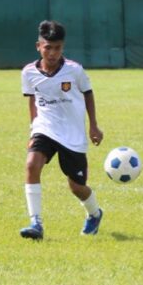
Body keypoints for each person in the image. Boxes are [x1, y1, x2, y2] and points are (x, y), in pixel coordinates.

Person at [19, 20, 104, 240]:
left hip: (72, 134)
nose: (52, 53)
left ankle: (94, 213)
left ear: (62, 47)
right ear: (38, 46)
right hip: (45, 127)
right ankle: (35, 222)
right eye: (48, 47)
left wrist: (93, 125)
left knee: (77, 187)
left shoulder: (74, 70)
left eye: (57, 48)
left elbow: (88, 93)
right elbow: (32, 100)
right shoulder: (29, 72)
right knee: (31, 164)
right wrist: (33, 128)